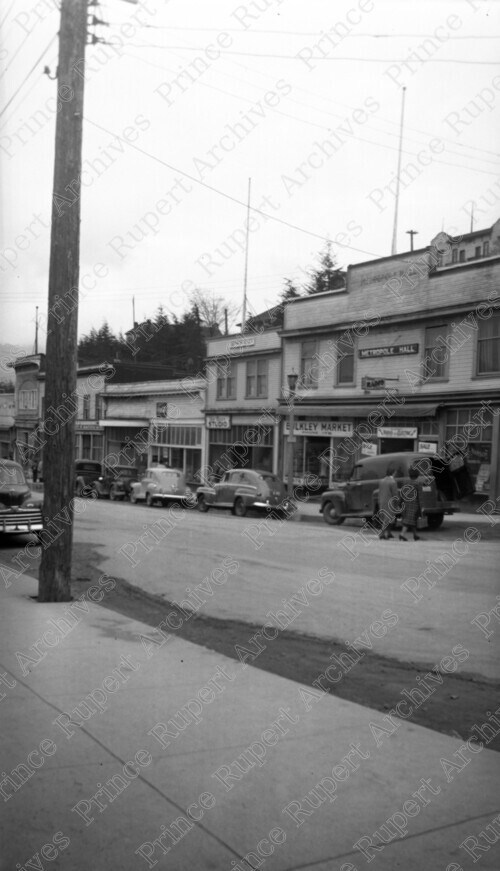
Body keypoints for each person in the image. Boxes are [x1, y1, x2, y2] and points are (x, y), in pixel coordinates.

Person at [399, 465, 423, 541]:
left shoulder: (405, 482)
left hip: (406, 503)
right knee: (409, 520)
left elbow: (402, 493)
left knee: (412, 520)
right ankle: (402, 534)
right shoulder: (417, 484)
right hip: (414, 504)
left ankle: (415, 535)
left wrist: (401, 502)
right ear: (417, 475)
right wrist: (421, 507)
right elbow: (419, 496)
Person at [378, 466, 398, 540]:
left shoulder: (381, 481)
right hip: (390, 502)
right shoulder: (393, 482)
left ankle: (389, 533)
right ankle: (382, 534)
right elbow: (395, 494)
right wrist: (397, 503)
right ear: (393, 473)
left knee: (385, 518)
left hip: (382, 501)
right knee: (388, 519)